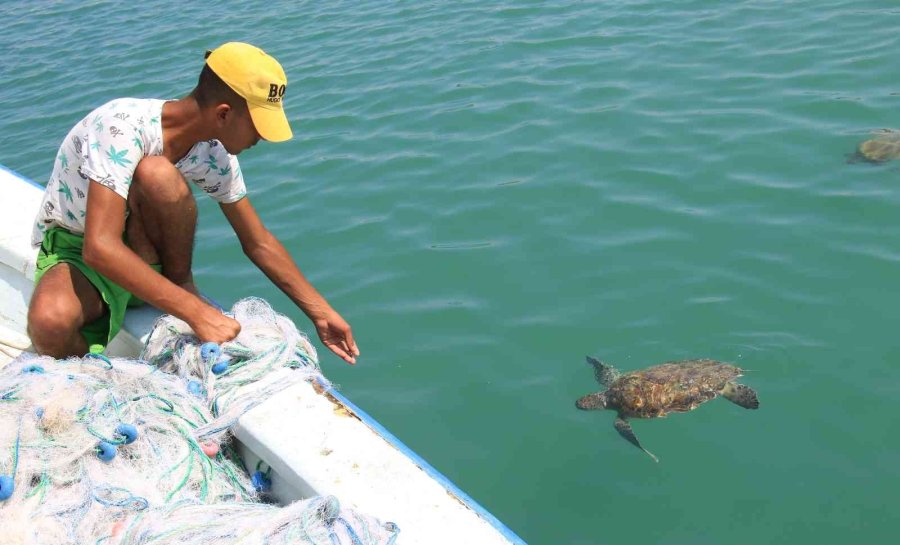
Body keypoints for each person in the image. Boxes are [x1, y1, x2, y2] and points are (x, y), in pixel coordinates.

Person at [26, 42, 359, 364]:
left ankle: (177, 282)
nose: (261, 138)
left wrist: (320, 312)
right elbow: (99, 247)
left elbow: (258, 242)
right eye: (258, 125)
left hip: (146, 254)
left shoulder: (213, 151)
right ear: (224, 114)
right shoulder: (119, 128)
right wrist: (197, 313)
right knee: (49, 324)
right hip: (84, 251)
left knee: (159, 175)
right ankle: (93, 376)